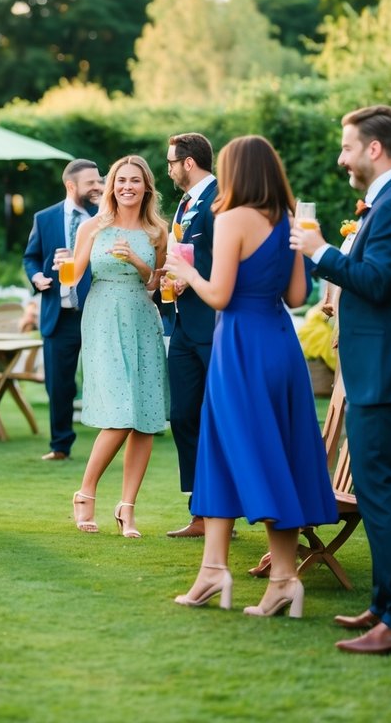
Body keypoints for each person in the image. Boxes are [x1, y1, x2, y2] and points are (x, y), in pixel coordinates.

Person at [291, 105, 391, 655]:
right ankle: (386, 604)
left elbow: (377, 283)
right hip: (381, 365)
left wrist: (320, 252)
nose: (341, 157)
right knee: (384, 491)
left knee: (381, 493)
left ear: (374, 149)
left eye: (347, 146)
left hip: (389, 369)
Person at [164, 135, 336, 615]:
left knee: (251, 454)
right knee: (238, 451)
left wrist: (184, 269)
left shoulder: (234, 217)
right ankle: (213, 571)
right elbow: (298, 296)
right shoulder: (286, 221)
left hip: (240, 345)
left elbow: (218, 295)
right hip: (280, 344)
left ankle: (281, 579)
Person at [68, 155, 169, 539]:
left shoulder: (158, 231)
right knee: (121, 411)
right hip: (102, 316)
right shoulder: (93, 226)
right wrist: (62, 267)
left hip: (142, 317)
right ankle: (86, 492)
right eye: (120, 180)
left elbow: (155, 286)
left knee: (144, 415)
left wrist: (139, 264)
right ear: (111, 186)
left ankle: (127, 508)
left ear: (146, 187)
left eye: (134, 180)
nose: (127, 186)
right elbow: (75, 273)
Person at [21, 158, 103, 461]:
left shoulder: (105, 216)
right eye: (91, 183)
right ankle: (60, 445)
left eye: (99, 181)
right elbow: (31, 256)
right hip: (59, 313)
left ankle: (117, 435)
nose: (98, 187)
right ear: (71, 185)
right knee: (59, 384)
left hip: (96, 310)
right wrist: (37, 276)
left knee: (105, 377)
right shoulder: (45, 218)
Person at [161, 132, 218, 538]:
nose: (168, 169)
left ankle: (218, 513)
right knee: (182, 415)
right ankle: (199, 508)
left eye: (170, 162)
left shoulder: (217, 202)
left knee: (216, 419)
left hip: (212, 325)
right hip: (182, 323)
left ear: (189, 162)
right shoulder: (185, 202)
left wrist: (194, 281)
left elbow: (225, 261)